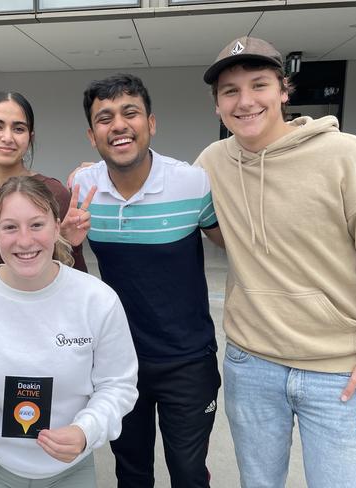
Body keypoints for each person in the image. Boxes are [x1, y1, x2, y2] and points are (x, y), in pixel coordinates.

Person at [196, 36, 356, 488]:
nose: (245, 101)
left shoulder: (347, 156)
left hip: (338, 369)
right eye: (230, 91)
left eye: (259, 85)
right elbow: (172, 200)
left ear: (283, 90)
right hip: (250, 363)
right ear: (217, 105)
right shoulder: (212, 163)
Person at [0, 175, 138, 487]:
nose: (25, 241)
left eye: (37, 225)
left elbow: (118, 385)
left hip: (71, 471)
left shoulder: (97, 300)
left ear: (56, 225)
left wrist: (86, 430)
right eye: (10, 227)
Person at [70, 73, 223, 488]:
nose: (118, 125)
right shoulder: (82, 187)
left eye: (129, 112)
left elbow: (231, 241)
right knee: (131, 471)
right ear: (92, 135)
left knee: (189, 474)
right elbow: (63, 266)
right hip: (119, 362)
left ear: (150, 124)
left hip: (187, 361)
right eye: (105, 118)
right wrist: (67, 242)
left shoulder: (192, 183)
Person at [0, 91, 89, 272]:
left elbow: (76, 273)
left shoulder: (53, 192)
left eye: (18, 129)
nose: (7, 137)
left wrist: (66, 242)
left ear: (30, 138)